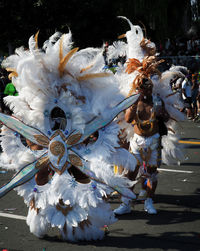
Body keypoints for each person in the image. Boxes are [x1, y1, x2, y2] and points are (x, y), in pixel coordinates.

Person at [114, 77, 169, 215]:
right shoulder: (134, 102)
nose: (145, 91)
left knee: (151, 173)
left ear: (151, 89)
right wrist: (134, 102)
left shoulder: (157, 101)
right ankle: (126, 204)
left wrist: (161, 112)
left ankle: (148, 202)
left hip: (154, 140)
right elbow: (127, 119)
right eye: (142, 88)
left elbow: (166, 118)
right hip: (137, 140)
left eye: (147, 88)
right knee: (130, 172)